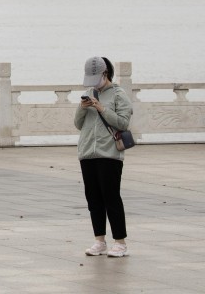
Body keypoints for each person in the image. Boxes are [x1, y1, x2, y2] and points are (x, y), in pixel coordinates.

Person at [74, 56, 133, 258]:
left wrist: (101, 108)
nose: (92, 84)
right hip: (87, 152)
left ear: (104, 74)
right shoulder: (88, 93)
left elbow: (123, 123)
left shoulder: (118, 95)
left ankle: (120, 243)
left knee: (111, 197)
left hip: (109, 153)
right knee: (93, 199)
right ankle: (99, 240)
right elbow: (77, 124)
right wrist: (82, 109)